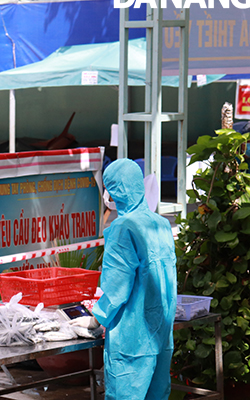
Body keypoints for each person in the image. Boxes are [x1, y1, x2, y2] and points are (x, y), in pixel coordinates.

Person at [90, 159, 177, 400]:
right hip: (161, 335)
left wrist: (96, 317)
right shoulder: (161, 224)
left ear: (115, 190)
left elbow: (117, 288)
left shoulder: (122, 228)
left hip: (131, 340)